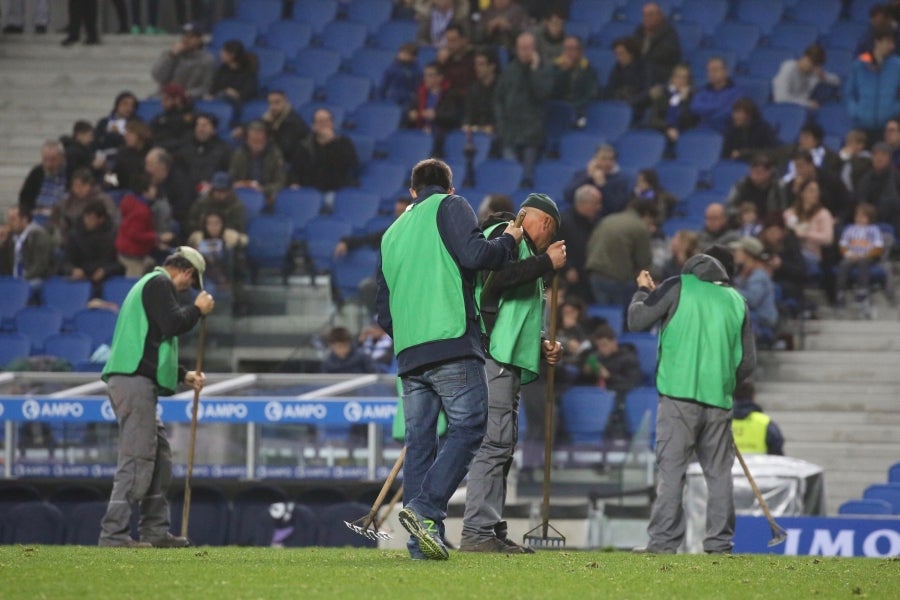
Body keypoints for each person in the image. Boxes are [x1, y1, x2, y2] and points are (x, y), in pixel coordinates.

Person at [375, 158, 523, 561]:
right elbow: (476, 255)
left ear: (412, 191)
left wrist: (411, 335)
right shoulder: (451, 206)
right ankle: (424, 511)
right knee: (472, 424)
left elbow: (382, 312)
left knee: (421, 443)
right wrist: (508, 240)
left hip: (408, 355)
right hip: (450, 340)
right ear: (449, 187)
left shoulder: (391, 233)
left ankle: (423, 543)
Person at [627, 247, 756, 554]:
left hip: (677, 396)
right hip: (719, 401)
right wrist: (722, 382)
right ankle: (720, 545)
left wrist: (641, 292)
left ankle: (662, 544)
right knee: (719, 475)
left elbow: (637, 321)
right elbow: (748, 363)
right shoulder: (737, 301)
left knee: (672, 472)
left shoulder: (677, 285)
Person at [460, 193, 566, 554]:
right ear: (547, 224)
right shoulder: (506, 234)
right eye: (550, 238)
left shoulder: (523, 250)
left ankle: (490, 528)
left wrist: (540, 342)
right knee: (493, 444)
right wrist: (547, 263)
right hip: (492, 357)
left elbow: (511, 312)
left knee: (501, 445)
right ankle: (477, 530)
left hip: (504, 357)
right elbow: (495, 281)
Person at [98, 246, 215, 548]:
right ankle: (114, 535)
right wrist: (198, 310)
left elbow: (149, 344)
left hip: (136, 378)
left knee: (159, 456)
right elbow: (172, 324)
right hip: (134, 382)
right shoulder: (159, 283)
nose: (190, 289)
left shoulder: (148, 286)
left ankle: (154, 531)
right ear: (186, 272)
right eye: (192, 282)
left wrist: (181, 374)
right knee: (136, 457)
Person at [494, 31, 554, 187]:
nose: (525, 52)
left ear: (535, 49)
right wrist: (501, 124)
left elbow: (542, 93)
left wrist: (534, 71)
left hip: (532, 133)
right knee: (509, 177)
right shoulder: (509, 70)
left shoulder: (544, 69)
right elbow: (498, 99)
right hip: (509, 131)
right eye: (521, 48)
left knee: (527, 179)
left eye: (528, 48)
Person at [585, 199, 658, 306]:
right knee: (619, 314)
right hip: (617, 279)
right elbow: (644, 261)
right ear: (647, 215)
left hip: (594, 274)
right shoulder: (639, 227)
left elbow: (590, 245)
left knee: (603, 312)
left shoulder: (608, 220)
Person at [845, 26, 900, 142]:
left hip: (886, 127)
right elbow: (849, 93)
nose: (892, 46)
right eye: (888, 42)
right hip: (862, 125)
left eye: (893, 42)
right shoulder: (860, 64)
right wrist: (856, 112)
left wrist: (895, 110)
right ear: (877, 41)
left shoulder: (897, 65)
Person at [61, 200, 123, 298]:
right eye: (86, 217)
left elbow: (119, 264)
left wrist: (105, 271)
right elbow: (66, 262)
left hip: (105, 280)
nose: (87, 221)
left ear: (101, 219)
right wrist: (73, 270)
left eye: (92, 218)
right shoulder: (75, 235)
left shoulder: (112, 235)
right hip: (80, 279)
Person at [289, 109, 358, 194]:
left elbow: (351, 164)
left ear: (332, 124)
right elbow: (295, 169)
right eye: (320, 122)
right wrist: (294, 183)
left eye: (327, 121)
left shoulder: (343, 142)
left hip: (336, 190)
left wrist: (332, 143)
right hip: (309, 190)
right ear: (313, 126)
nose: (325, 125)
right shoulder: (305, 145)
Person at [835, 203, 885, 311]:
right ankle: (840, 292)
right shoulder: (850, 229)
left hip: (867, 256)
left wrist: (865, 255)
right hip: (852, 256)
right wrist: (849, 254)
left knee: (863, 263)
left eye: (862, 216)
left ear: (869, 218)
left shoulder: (874, 230)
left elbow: (878, 247)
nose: (858, 218)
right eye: (857, 215)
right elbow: (843, 244)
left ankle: (862, 292)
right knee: (844, 264)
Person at [730, 237, 778, 346]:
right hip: (752, 316)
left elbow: (752, 300)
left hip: (761, 318)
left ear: (747, 254)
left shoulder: (759, 275)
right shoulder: (744, 273)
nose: (735, 254)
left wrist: (731, 290)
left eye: (738, 251)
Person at [558, 184, 602, 303]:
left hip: (588, 275)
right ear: (583, 204)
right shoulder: (564, 222)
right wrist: (567, 268)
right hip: (571, 278)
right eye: (596, 203)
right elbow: (556, 247)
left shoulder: (595, 222)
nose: (599, 207)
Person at [151, 22, 216, 100]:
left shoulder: (207, 59)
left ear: (200, 39)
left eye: (190, 37)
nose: (185, 39)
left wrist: (186, 94)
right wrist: (171, 56)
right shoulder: (170, 55)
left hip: (190, 99)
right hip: (165, 98)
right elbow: (158, 76)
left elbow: (206, 87)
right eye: (184, 36)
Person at [230, 120, 286, 208]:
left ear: (266, 139)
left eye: (260, 139)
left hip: (267, 196)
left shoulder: (274, 154)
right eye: (253, 139)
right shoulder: (239, 154)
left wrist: (263, 189)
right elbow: (232, 178)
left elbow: (280, 182)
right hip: (243, 196)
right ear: (247, 139)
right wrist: (239, 184)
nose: (257, 141)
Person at [2, 205, 56, 295]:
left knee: (32, 284)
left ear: (24, 219)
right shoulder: (11, 237)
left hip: (35, 278)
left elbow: (40, 266)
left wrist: (22, 279)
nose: (10, 223)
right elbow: (5, 265)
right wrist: (2, 245)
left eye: (13, 219)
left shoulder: (39, 235)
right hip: (13, 279)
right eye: (9, 219)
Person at [562, 144, 630, 215]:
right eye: (603, 158)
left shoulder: (621, 180)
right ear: (595, 159)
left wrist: (602, 186)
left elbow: (617, 207)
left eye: (611, 159)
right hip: (580, 215)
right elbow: (568, 196)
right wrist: (588, 177)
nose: (607, 163)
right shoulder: (583, 174)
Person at [175, 112, 232, 195]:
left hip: (213, 193)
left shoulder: (224, 150)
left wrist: (214, 186)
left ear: (214, 130)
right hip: (186, 192)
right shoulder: (186, 147)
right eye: (198, 125)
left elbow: (228, 174)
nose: (200, 129)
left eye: (204, 126)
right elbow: (179, 171)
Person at [772, 43, 840, 109]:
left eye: (815, 66)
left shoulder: (814, 71)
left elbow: (837, 81)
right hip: (785, 109)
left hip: (802, 110)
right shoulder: (788, 68)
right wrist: (807, 103)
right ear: (804, 57)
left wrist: (824, 76)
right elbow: (781, 98)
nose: (811, 68)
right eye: (810, 63)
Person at [690, 57, 745, 134]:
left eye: (715, 70)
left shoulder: (737, 92)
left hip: (726, 132)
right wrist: (719, 106)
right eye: (709, 71)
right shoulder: (702, 91)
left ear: (726, 72)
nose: (711, 74)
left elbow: (729, 113)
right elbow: (695, 107)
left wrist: (706, 115)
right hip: (701, 131)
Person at [645, 63, 695, 146]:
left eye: (684, 78)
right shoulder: (663, 95)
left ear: (689, 80)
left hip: (683, 134)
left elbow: (688, 121)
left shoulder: (693, 96)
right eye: (678, 77)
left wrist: (683, 101)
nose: (681, 80)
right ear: (672, 78)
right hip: (662, 132)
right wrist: (667, 128)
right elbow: (653, 119)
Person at [725, 154, 784, 223]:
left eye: (759, 172)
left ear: (769, 172)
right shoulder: (741, 185)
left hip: (769, 223)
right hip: (743, 221)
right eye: (753, 171)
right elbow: (728, 208)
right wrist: (741, 212)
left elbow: (783, 210)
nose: (755, 175)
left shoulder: (778, 186)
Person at [551, 34, 599, 118]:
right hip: (556, 111)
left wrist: (572, 107)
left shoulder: (588, 70)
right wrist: (564, 72)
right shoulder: (555, 68)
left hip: (579, 111)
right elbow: (551, 91)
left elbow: (591, 95)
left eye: (572, 49)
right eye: (566, 49)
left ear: (580, 51)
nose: (568, 53)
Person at [260, 90, 310, 170]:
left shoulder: (293, 121)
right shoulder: (269, 118)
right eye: (270, 103)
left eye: (277, 102)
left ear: (285, 102)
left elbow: (285, 148)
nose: (273, 107)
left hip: (294, 164)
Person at [633, 1, 681, 85]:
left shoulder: (669, 33)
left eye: (650, 15)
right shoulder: (639, 31)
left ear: (660, 16)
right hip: (641, 69)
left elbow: (660, 56)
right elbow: (632, 50)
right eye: (644, 15)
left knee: (648, 68)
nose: (646, 18)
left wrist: (648, 40)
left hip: (662, 72)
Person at [18, 140, 68, 219]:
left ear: (62, 158)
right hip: (36, 217)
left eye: (53, 160)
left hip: (59, 218)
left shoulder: (69, 172)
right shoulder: (37, 172)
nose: (48, 164)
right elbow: (25, 198)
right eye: (45, 160)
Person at [732, 382, 784, 456]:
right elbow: (777, 452)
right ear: (753, 396)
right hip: (759, 466)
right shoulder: (765, 422)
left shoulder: (723, 422)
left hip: (730, 467)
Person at [209, 39, 259, 111]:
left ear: (232, 55)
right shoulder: (223, 68)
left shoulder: (248, 71)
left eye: (224, 52)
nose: (221, 54)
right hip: (219, 99)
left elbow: (248, 91)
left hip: (236, 104)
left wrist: (236, 94)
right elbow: (215, 85)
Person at [149, 83, 195, 154]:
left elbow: (185, 141)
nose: (162, 102)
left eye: (166, 99)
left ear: (177, 99)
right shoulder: (161, 117)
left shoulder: (190, 117)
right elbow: (149, 131)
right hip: (157, 150)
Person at [379, 42, 421, 109]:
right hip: (392, 98)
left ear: (414, 57)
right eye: (401, 53)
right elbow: (383, 86)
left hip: (408, 100)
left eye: (407, 54)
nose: (403, 55)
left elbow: (417, 87)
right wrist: (380, 100)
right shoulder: (391, 68)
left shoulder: (417, 70)